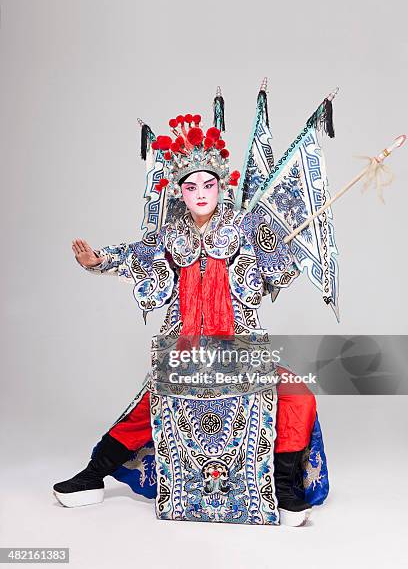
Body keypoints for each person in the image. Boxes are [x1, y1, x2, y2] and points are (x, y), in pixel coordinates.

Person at [53, 113, 328, 527]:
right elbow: (135, 255)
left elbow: (277, 262)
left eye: (209, 185)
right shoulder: (169, 234)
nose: (200, 193)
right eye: (191, 186)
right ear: (180, 191)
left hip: (239, 347)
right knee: (146, 411)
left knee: (297, 398)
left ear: (221, 185)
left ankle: (283, 488)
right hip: (184, 349)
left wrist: (288, 248)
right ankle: (94, 476)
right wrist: (99, 260)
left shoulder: (246, 226)